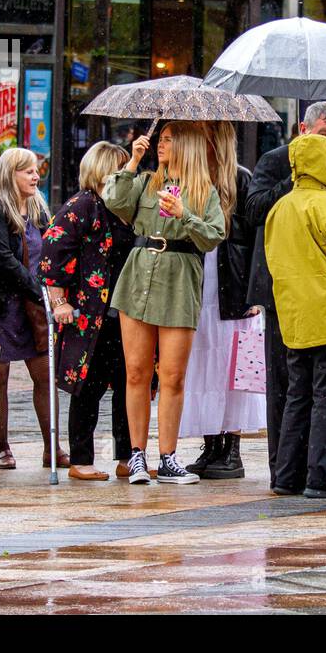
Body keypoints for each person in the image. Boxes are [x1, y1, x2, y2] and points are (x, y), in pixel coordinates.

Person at [243, 101, 326, 490]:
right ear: (303, 129)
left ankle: (292, 472)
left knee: (303, 385)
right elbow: (253, 211)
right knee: (291, 385)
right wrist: (298, 179)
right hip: (286, 288)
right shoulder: (276, 162)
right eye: (323, 136)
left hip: (306, 286)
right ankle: (292, 469)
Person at [103, 121, 226, 485]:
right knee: (136, 372)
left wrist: (183, 215)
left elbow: (214, 235)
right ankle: (136, 454)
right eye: (161, 138)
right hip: (140, 273)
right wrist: (132, 161)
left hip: (179, 277)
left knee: (172, 376)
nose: (160, 145)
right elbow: (114, 200)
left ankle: (168, 457)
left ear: (186, 145)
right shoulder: (145, 182)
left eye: (169, 140)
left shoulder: (205, 191)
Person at [40, 141, 136, 482]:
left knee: (129, 383)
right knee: (90, 385)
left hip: (124, 311)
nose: (130, 174)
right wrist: (59, 301)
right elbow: (52, 250)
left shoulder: (124, 206)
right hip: (91, 313)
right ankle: (81, 459)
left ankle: (128, 456)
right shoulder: (84, 204)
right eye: (122, 169)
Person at [178, 121, 262, 480]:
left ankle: (232, 447)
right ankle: (212, 443)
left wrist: (256, 290)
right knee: (204, 362)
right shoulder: (190, 179)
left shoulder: (241, 180)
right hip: (202, 282)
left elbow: (257, 234)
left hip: (233, 283)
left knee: (232, 366)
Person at [0, 147, 61, 470]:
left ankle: (53, 448)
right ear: (11, 174)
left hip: (32, 308)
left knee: (44, 375)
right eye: (27, 171)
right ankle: (2, 447)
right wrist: (39, 289)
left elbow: (50, 251)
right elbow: (2, 261)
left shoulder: (38, 210)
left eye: (36, 170)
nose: (35, 176)